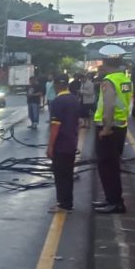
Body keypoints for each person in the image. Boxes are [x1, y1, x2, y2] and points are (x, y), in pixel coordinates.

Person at [92, 46, 132, 214]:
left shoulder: (108, 81)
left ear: (105, 62)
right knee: (113, 166)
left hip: (109, 129)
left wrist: (106, 129)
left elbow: (108, 106)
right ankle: (111, 199)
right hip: (121, 127)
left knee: (107, 167)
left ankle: (115, 202)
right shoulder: (125, 79)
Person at [47, 78, 82, 212]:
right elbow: (77, 122)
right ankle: (68, 202)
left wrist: (50, 146)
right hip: (71, 142)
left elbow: (55, 126)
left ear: (56, 86)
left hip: (61, 144)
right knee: (68, 174)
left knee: (60, 175)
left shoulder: (58, 101)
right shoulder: (74, 99)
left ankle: (63, 204)